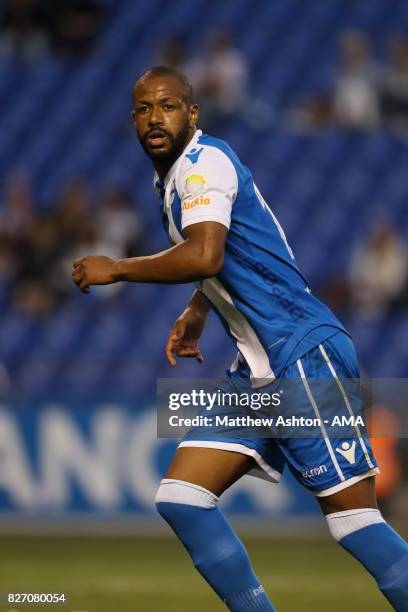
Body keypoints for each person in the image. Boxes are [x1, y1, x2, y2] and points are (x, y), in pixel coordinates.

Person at [72, 66, 408, 611]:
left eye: (168, 105)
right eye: (143, 109)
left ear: (193, 112)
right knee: (182, 498)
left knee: (355, 522)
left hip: (301, 354)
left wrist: (116, 267)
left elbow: (206, 253)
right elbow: (233, 256)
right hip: (257, 369)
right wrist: (199, 307)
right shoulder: (174, 177)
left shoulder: (204, 166)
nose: (154, 118)